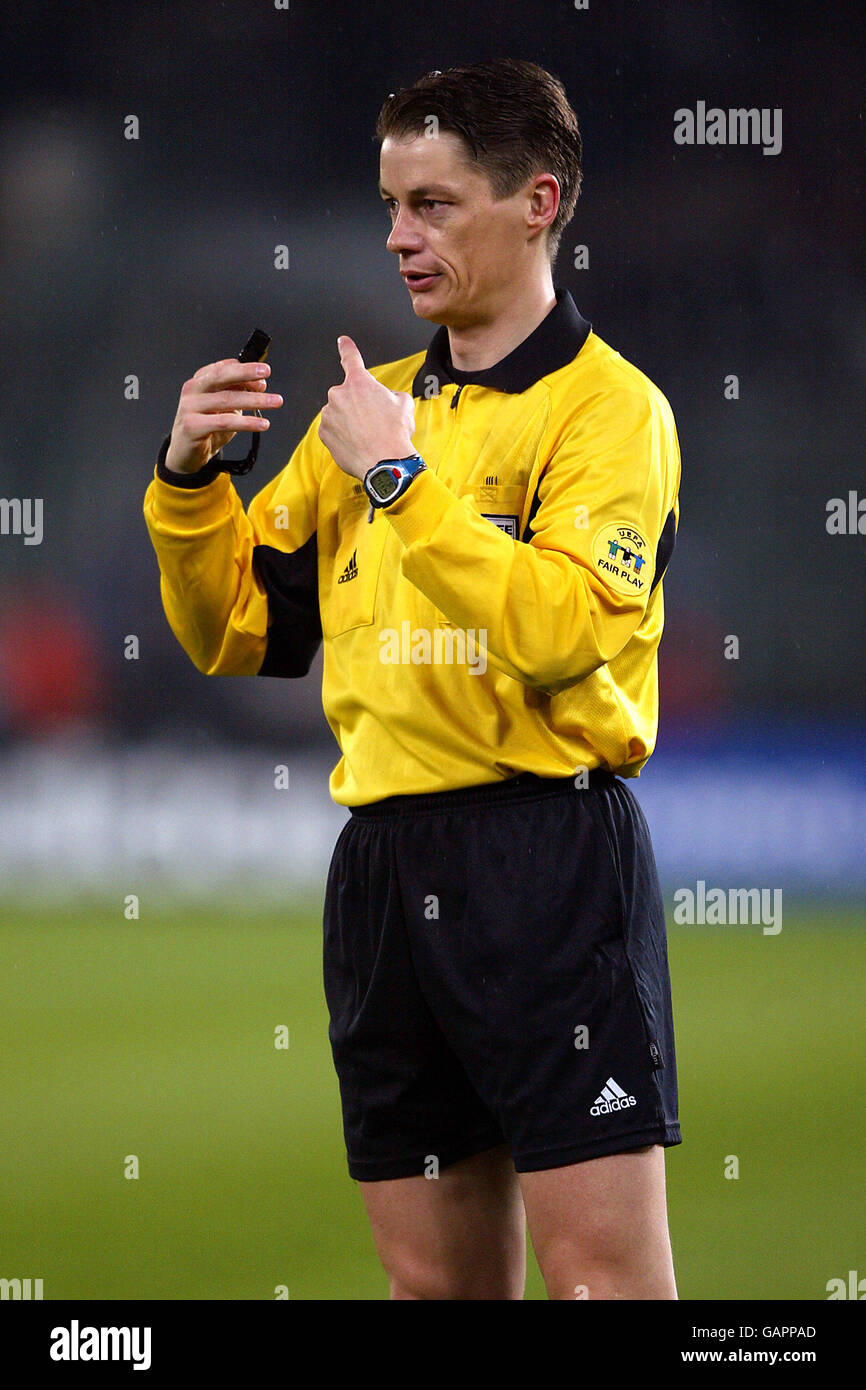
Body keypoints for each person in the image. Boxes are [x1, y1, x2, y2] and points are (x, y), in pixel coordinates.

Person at [144, 57, 682, 1301]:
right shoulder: (368, 410)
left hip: (545, 861)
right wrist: (185, 484)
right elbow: (238, 631)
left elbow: (558, 629)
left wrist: (400, 484)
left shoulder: (609, 414)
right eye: (390, 204)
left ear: (537, 201)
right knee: (432, 1290)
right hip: (385, 869)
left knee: (600, 1282)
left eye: (432, 204)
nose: (396, 236)